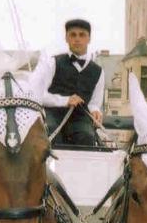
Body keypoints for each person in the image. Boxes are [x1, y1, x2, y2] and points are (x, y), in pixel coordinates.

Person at [40, 18, 105, 147]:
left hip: (80, 118)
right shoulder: (53, 62)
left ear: (89, 39)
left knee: (86, 136)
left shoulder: (98, 71)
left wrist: (96, 111)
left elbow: (94, 103)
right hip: (53, 115)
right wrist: (65, 100)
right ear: (66, 38)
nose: (77, 39)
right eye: (73, 35)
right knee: (50, 132)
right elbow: (39, 95)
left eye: (82, 35)